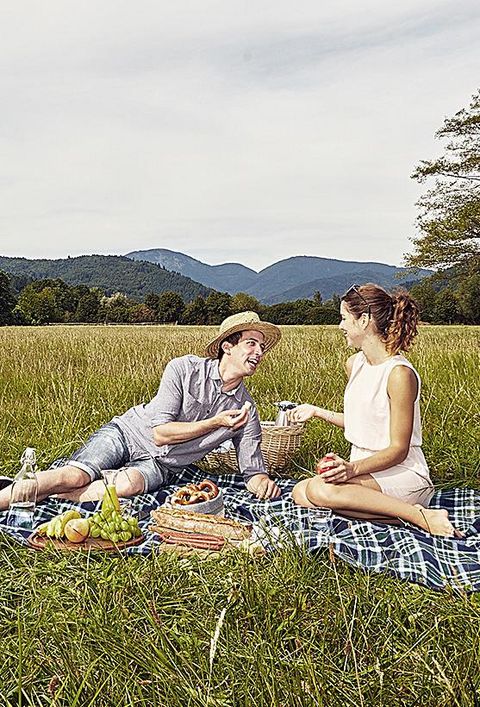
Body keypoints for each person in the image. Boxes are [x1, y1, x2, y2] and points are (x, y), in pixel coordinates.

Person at [0, 312, 282, 510]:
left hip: (163, 465)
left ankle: (39, 492)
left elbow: (252, 470)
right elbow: (160, 434)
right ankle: (15, 496)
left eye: (262, 347)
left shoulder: (246, 411)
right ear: (227, 346)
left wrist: (263, 484)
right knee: (74, 477)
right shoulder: (183, 369)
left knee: (128, 485)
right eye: (251, 343)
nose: (259, 353)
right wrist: (215, 422)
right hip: (128, 434)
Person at [289, 283, 457, 538]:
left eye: (344, 318)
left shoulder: (399, 374)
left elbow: (399, 449)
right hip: (366, 469)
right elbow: (365, 423)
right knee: (301, 492)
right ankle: (399, 514)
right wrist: (317, 411)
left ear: (364, 320)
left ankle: (419, 515)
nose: (340, 326)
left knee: (321, 492)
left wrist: (352, 470)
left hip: (400, 472)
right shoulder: (354, 364)